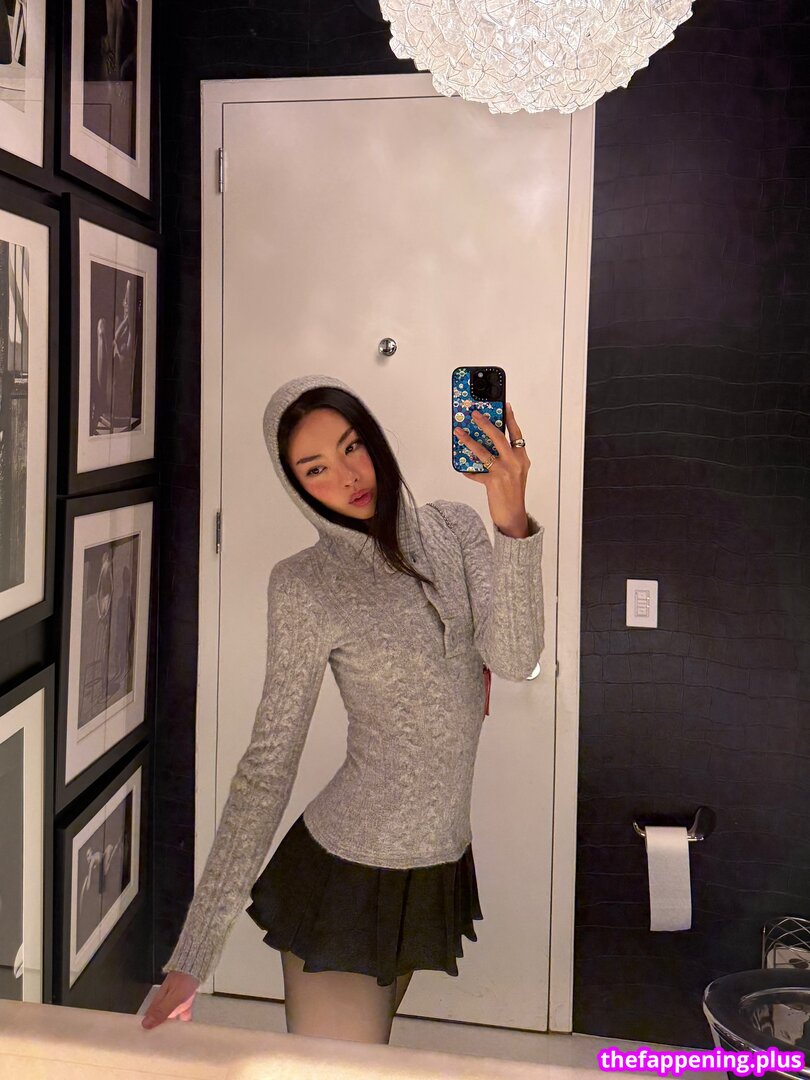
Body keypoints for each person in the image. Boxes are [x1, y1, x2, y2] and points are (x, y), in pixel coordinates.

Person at [141, 373, 545, 1044]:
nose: (348, 477)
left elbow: (515, 655)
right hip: (346, 874)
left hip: (433, 865)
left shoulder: (457, 528)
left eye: (353, 446)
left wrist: (512, 518)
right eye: (316, 468)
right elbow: (267, 766)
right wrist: (194, 953)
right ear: (296, 485)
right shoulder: (306, 585)